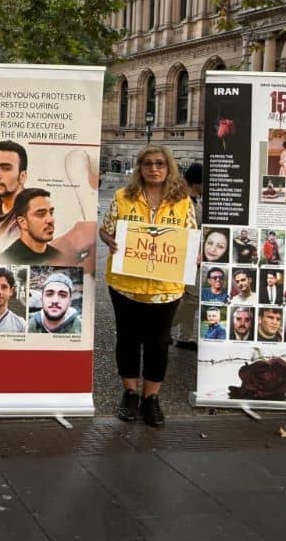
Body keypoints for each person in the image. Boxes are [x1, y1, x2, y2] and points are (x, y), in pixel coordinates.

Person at [100, 144, 196, 427]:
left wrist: (194, 252)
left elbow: (191, 235)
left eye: (159, 164)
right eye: (148, 164)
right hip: (125, 285)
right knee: (127, 339)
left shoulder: (183, 201)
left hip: (165, 288)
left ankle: (151, 398)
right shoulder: (122, 196)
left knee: (159, 344)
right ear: (140, 168)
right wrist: (109, 240)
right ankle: (130, 393)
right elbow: (105, 229)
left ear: (168, 168)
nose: (154, 168)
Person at [173, 162, 203, 352]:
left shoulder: (196, 200)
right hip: (185, 256)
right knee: (192, 297)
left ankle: (185, 336)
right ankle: (160, 328)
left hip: (194, 255)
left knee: (187, 297)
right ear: (197, 182)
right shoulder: (183, 201)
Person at [0, 188, 62, 264]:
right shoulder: (5, 261)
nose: (50, 220)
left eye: (51, 213)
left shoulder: (60, 257)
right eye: (41, 214)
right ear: (22, 222)